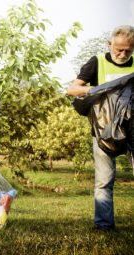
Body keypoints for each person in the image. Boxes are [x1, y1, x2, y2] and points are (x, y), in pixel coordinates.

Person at [67, 25, 134, 231]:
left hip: (132, 129)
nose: (122, 54)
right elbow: (72, 89)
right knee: (104, 180)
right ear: (109, 44)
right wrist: (98, 88)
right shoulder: (98, 62)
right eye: (118, 49)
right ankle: (104, 226)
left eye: (128, 50)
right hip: (103, 132)